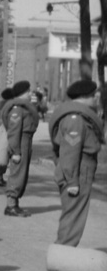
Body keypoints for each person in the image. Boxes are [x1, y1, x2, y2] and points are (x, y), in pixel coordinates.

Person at [49, 80, 103, 247]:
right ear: (85, 96)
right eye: (94, 95)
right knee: (74, 214)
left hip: (79, 170)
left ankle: (63, 250)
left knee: (73, 213)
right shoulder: (75, 119)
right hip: (78, 171)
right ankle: (63, 252)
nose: (97, 97)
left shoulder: (76, 115)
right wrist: (72, 181)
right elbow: (70, 152)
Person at [1, 80, 40, 217]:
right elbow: (14, 131)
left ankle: (15, 204)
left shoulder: (24, 107)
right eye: (28, 91)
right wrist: (15, 151)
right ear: (23, 93)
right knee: (17, 173)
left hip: (26, 140)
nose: (30, 93)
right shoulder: (17, 109)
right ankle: (10, 206)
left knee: (22, 173)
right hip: (20, 141)